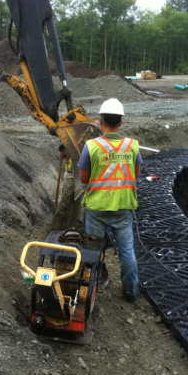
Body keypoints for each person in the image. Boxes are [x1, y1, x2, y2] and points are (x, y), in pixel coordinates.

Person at [77, 98, 142, 302]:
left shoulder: (91, 146)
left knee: (92, 251)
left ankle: (90, 290)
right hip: (123, 208)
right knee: (127, 253)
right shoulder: (132, 146)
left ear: (100, 120)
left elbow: (83, 178)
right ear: (121, 122)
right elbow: (135, 173)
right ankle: (131, 292)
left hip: (97, 209)